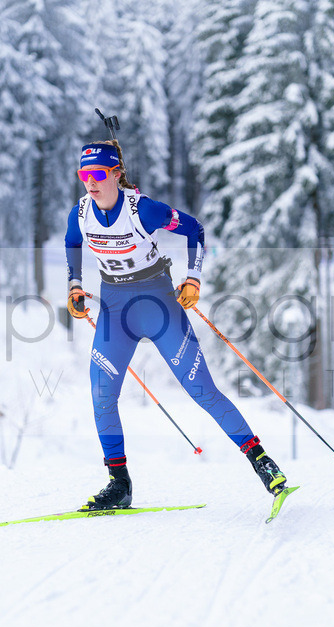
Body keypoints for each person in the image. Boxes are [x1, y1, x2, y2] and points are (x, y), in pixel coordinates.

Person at [65, 141, 289, 510]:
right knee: (101, 396)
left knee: (201, 391)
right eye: (83, 175)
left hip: (158, 305)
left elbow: (195, 229)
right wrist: (75, 284)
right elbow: (73, 242)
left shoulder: (144, 210)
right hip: (114, 311)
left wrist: (193, 278)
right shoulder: (81, 211)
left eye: (98, 174)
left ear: (116, 175)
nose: (90, 183)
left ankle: (262, 461)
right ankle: (119, 484)